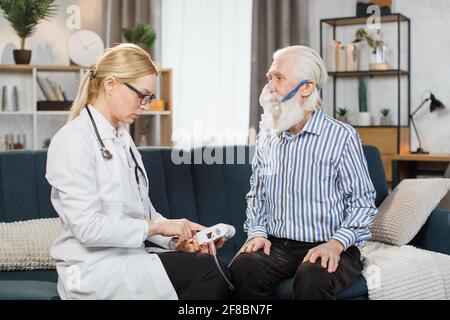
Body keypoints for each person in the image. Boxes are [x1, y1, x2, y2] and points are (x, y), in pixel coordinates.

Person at [46, 43, 230, 300]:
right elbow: (87, 229)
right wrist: (158, 228)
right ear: (110, 85)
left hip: (128, 260)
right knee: (211, 271)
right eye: (141, 95)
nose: (145, 105)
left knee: (213, 264)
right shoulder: (72, 140)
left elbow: (143, 212)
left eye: (149, 98)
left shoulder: (123, 137)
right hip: (93, 269)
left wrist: (177, 239)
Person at [230, 45, 378, 300]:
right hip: (278, 245)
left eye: (279, 78)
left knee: (312, 276)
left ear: (307, 87)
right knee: (244, 267)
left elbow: (363, 204)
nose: (269, 87)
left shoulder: (341, 136)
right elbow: (258, 194)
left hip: (334, 244)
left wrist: (336, 243)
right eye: (269, 78)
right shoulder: (267, 136)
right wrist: (256, 232)